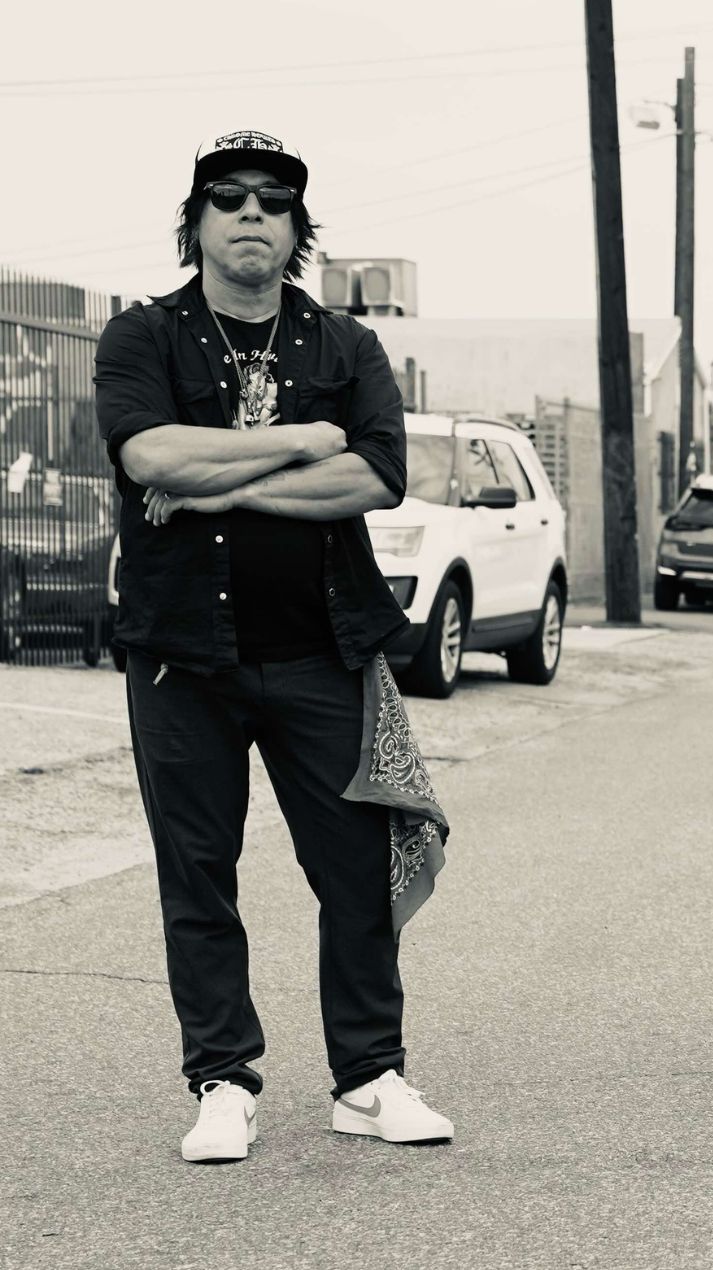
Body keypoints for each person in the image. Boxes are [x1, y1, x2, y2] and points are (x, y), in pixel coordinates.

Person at [93, 130, 453, 1163]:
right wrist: (299, 440)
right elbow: (149, 453)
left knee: (355, 872)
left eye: (274, 199)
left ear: (298, 229)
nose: (252, 212)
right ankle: (223, 1082)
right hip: (181, 655)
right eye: (228, 196)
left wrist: (223, 487)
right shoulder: (142, 337)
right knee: (199, 872)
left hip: (320, 652)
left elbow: (374, 476)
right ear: (196, 222)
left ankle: (369, 1076)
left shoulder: (345, 347)